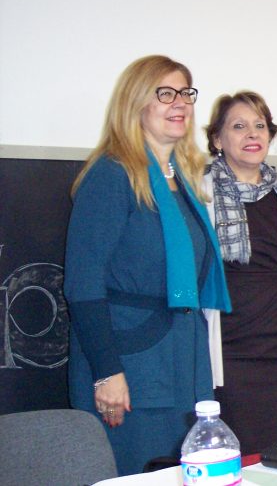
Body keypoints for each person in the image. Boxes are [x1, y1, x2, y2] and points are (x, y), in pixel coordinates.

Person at [65, 55, 231, 475]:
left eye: (186, 94)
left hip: (183, 360)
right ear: (136, 102)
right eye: (166, 94)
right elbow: (83, 284)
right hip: (131, 366)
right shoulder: (111, 175)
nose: (181, 103)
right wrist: (107, 372)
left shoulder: (183, 178)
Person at [203, 91, 277, 453]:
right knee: (241, 463)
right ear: (217, 139)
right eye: (238, 126)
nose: (252, 134)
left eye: (260, 126)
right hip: (234, 359)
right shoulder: (201, 191)